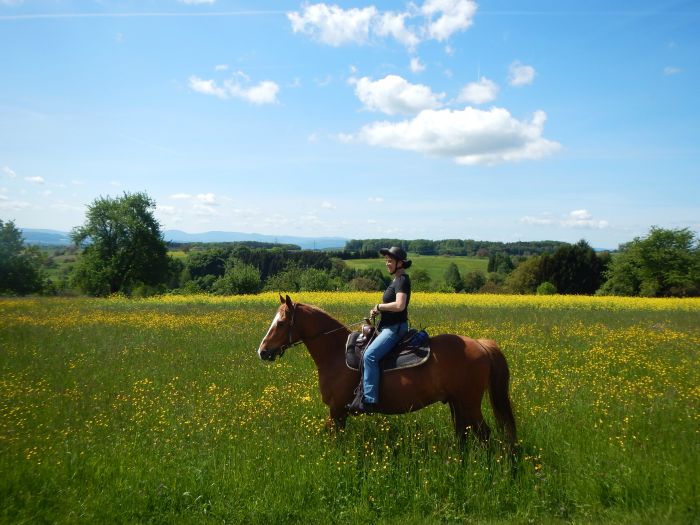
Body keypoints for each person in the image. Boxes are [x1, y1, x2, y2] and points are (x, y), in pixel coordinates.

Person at [347, 246, 412, 414]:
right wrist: (379, 310)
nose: (387, 263)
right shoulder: (396, 280)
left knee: (370, 356)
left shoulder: (402, 280)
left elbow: (400, 305)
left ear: (400, 263)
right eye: (386, 260)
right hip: (387, 327)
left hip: (395, 329)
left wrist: (379, 306)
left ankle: (369, 400)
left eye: (390, 261)